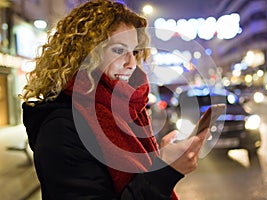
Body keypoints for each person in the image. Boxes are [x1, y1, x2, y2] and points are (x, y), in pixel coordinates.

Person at [21, 0, 209, 199]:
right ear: (87, 53)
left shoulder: (126, 110)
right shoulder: (62, 127)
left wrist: (163, 157)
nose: (131, 63)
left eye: (135, 52)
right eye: (119, 50)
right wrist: (165, 171)